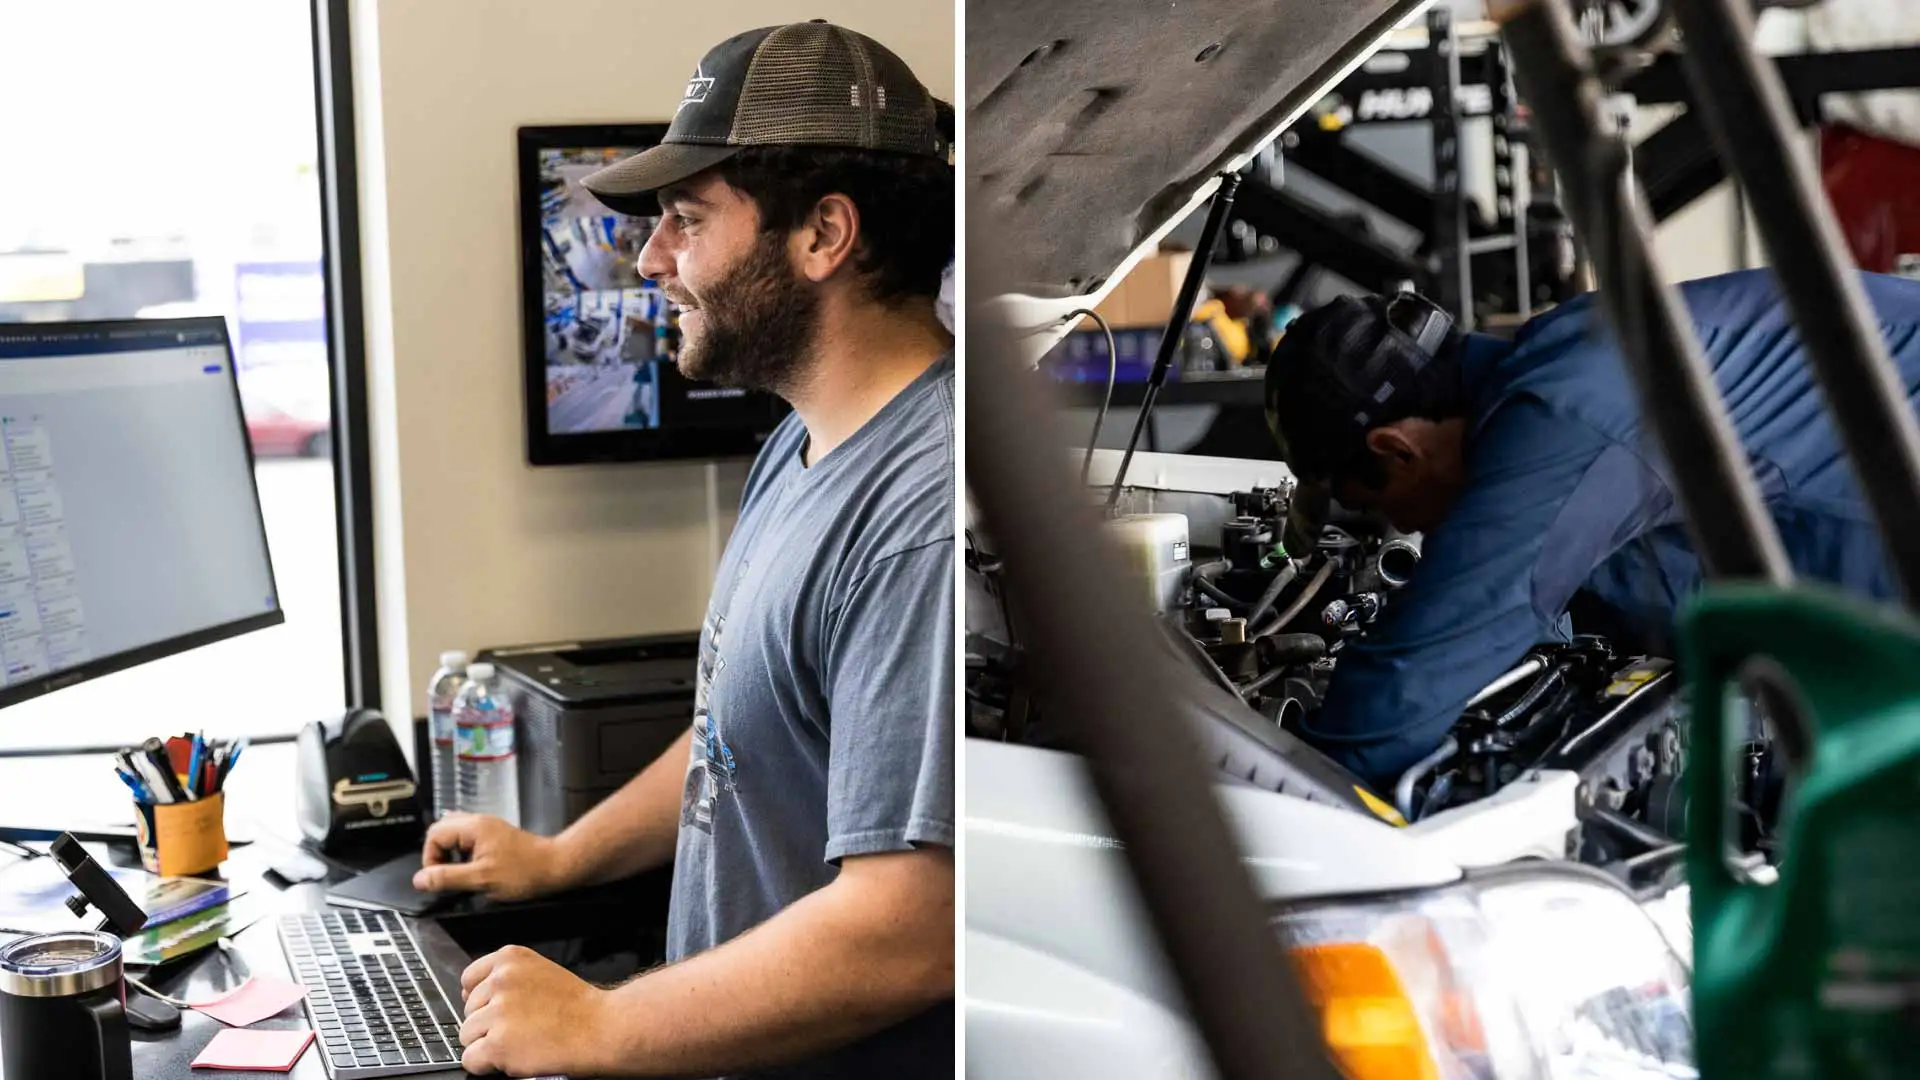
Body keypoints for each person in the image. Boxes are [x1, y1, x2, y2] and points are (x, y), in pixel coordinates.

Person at [411, 21, 955, 1079]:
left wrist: (601, 1026)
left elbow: (907, 930)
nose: (653, 260)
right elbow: (731, 742)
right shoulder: (803, 436)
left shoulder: (917, 518)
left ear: (822, 236)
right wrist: (562, 857)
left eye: (685, 220)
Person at [1263, 268, 1920, 791]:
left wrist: (1285, 790)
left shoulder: (1562, 414)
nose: (1397, 528)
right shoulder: (1558, 360)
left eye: (1376, 507)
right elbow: (1630, 582)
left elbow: (1430, 662)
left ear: (1396, 448)